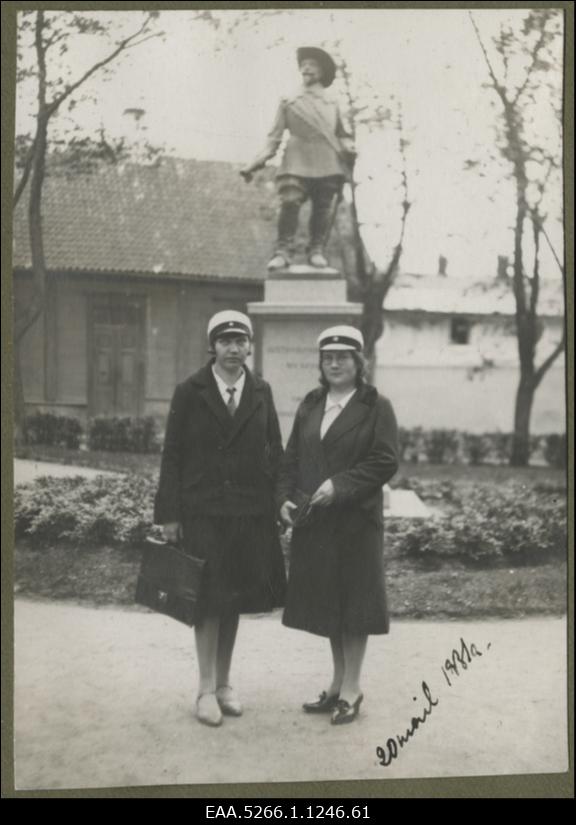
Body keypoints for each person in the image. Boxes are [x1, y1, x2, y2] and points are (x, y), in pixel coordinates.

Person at [154, 310, 286, 727]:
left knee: (233, 601)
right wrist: (170, 515)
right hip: (204, 512)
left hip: (248, 515)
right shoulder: (189, 391)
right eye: (225, 341)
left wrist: (278, 503)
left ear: (250, 346)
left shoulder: (262, 391)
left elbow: (276, 453)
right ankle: (205, 690)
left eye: (240, 341)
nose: (233, 349)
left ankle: (226, 684)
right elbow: (171, 455)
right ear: (213, 346)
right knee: (208, 601)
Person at [277, 325, 399, 725]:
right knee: (329, 604)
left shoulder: (376, 405)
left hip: (355, 522)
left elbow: (384, 461)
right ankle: (336, 684)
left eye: (343, 357)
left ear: (358, 362)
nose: (334, 364)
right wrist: (285, 499)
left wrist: (340, 485)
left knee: (354, 606)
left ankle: (353, 688)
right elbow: (291, 457)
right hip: (316, 521)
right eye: (328, 358)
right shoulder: (312, 403)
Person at [240, 46, 356, 271]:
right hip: (296, 158)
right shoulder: (288, 101)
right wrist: (253, 164)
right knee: (290, 201)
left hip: (326, 160)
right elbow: (273, 138)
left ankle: (316, 250)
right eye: (303, 65)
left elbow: (343, 134)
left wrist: (349, 147)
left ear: (322, 72)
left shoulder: (333, 103)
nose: (306, 68)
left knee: (323, 207)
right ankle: (283, 251)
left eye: (312, 65)